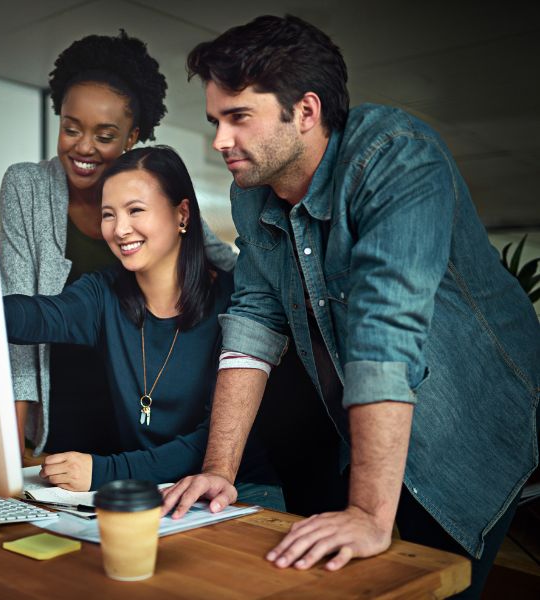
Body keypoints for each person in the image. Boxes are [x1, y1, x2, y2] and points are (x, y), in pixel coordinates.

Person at [160, 14, 539, 598]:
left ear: (305, 112)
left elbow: (384, 332)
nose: (218, 141)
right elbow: (254, 324)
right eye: (215, 120)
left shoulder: (397, 156)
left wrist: (367, 511)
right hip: (371, 426)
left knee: (421, 584)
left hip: (472, 420)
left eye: (238, 118)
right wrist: (218, 471)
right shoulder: (250, 195)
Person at [0, 31, 236, 461]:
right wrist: (13, 459)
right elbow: (21, 318)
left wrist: (248, 294)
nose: (84, 146)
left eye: (105, 135)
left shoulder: (159, 198)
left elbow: (214, 253)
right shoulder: (33, 193)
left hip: (137, 418)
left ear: (131, 137)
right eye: (71, 129)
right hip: (67, 399)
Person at [4, 146, 281, 508]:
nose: (119, 229)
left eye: (135, 210)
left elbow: (210, 440)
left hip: (239, 494)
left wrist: (103, 471)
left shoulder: (236, 302)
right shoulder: (101, 294)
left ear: (182, 214)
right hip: (153, 493)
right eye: (108, 214)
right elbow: (33, 317)